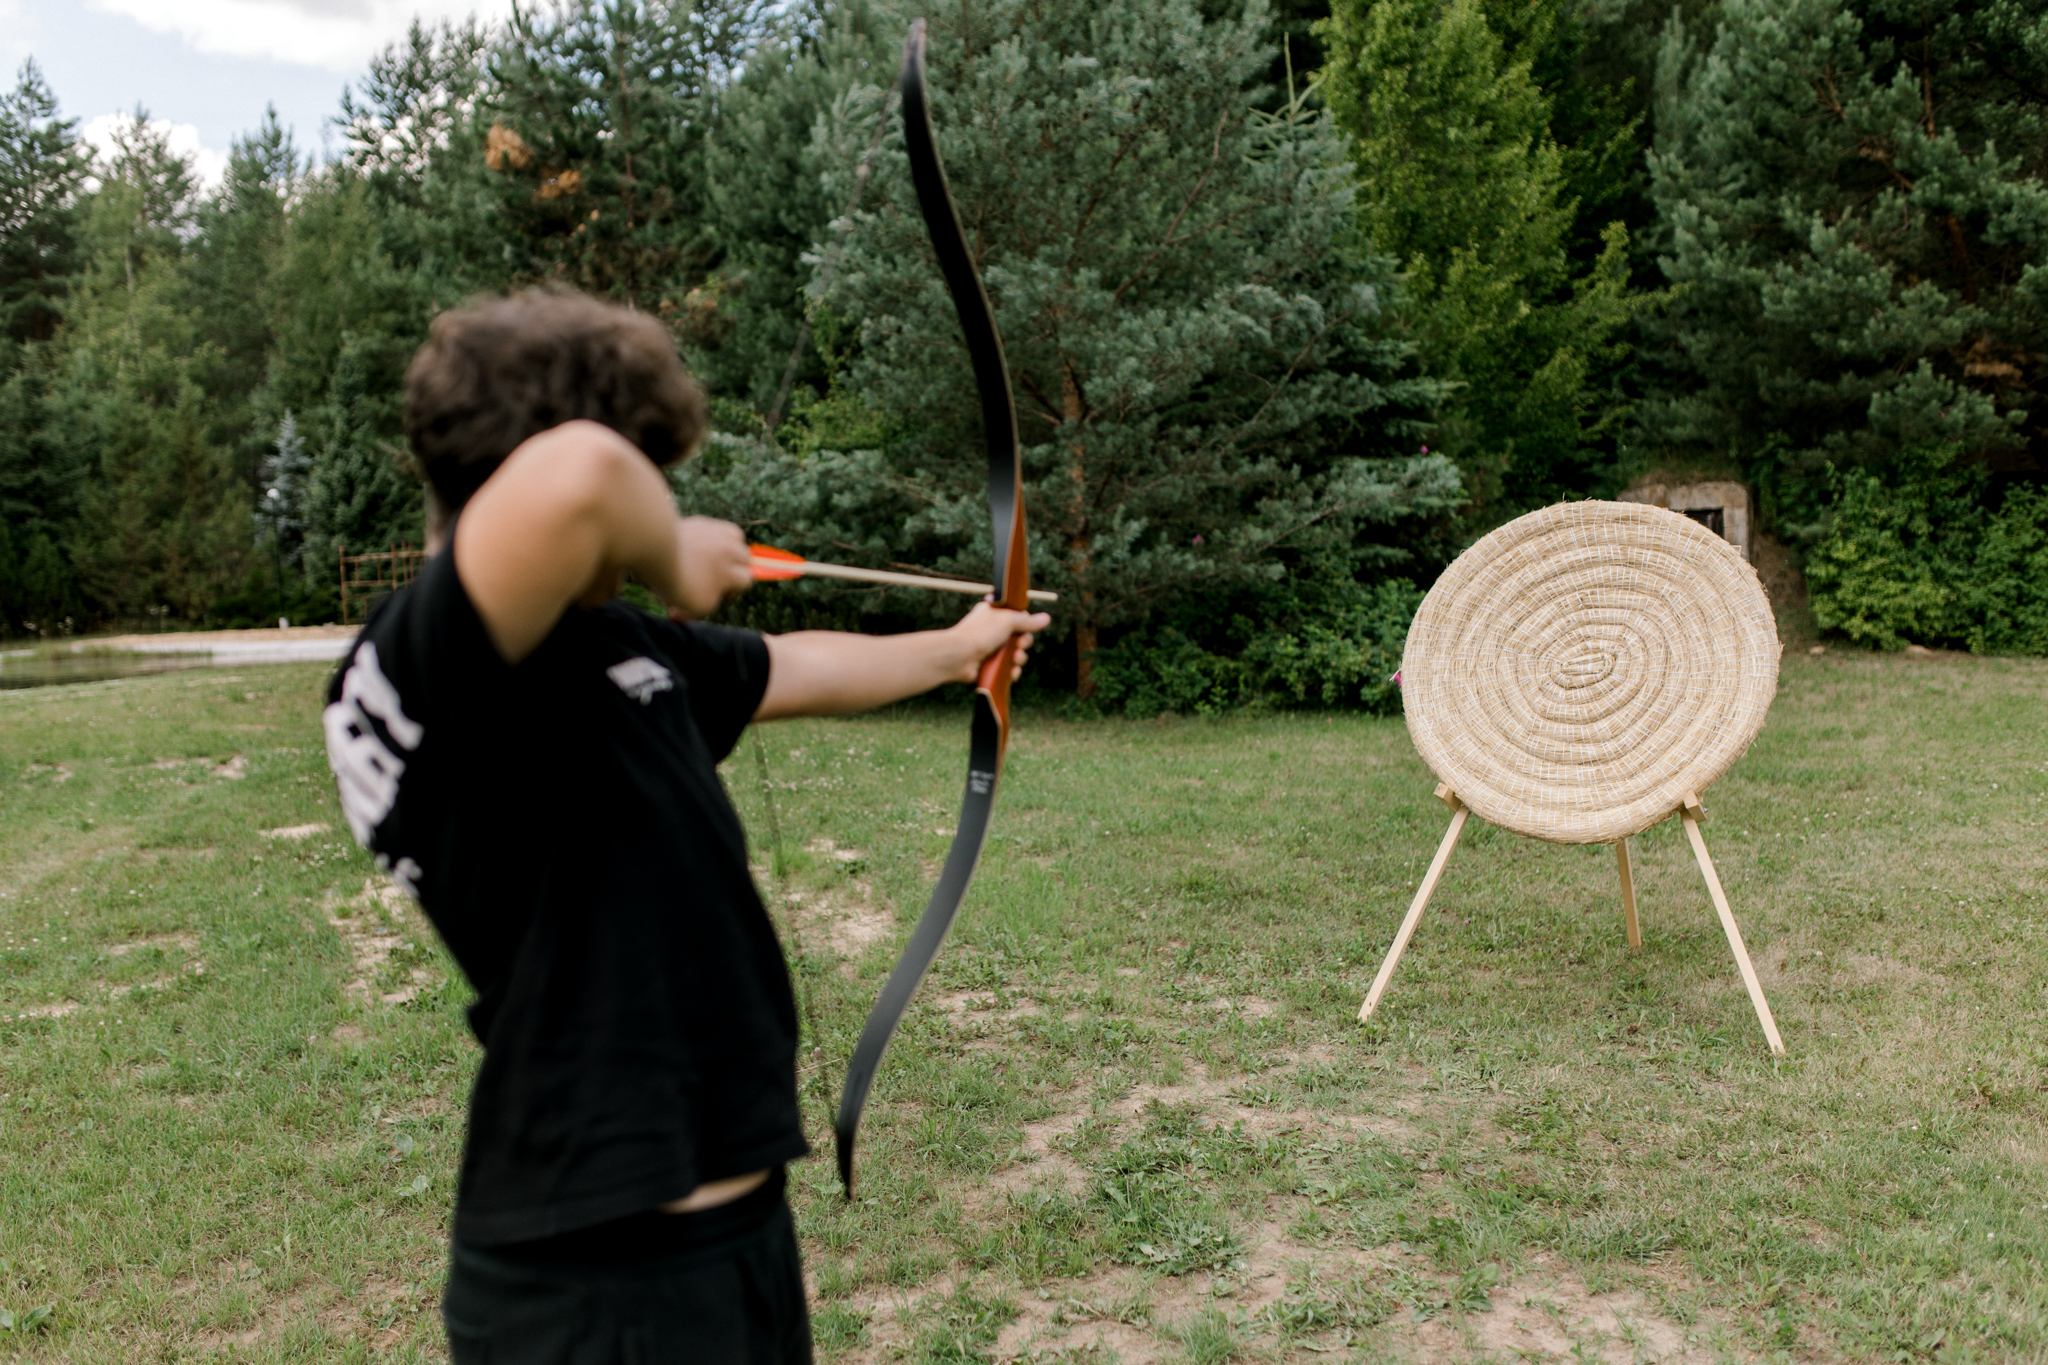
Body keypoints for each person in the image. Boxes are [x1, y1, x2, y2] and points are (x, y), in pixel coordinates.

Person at [322, 289, 1049, 1364]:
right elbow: (577, 475)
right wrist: (670, 546)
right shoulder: (422, 664)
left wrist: (957, 648)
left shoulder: (614, 646)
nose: (649, 499)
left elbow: (791, 664)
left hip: (733, 1240)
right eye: (648, 473)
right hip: (590, 1281)